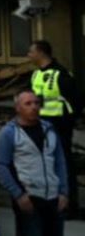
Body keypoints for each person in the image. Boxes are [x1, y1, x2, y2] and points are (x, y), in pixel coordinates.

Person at [0, 89, 69, 236]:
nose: (34, 107)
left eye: (36, 103)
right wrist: (18, 193)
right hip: (29, 195)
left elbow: (60, 161)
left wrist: (64, 191)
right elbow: (1, 165)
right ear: (17, 107)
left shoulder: (48, 129)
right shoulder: (10, 133)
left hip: (52, 194)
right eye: (28, 103)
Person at [27, 40, 78, 213]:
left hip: (59, 123)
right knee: (43, 163)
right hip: (39, 123)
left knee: (63, 163)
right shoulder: (35, 74)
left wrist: (69, 119)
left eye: (31, 52)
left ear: (41, 53)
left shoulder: (60, 73)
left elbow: (75, 100)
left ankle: (69, 205)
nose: (29, 55)